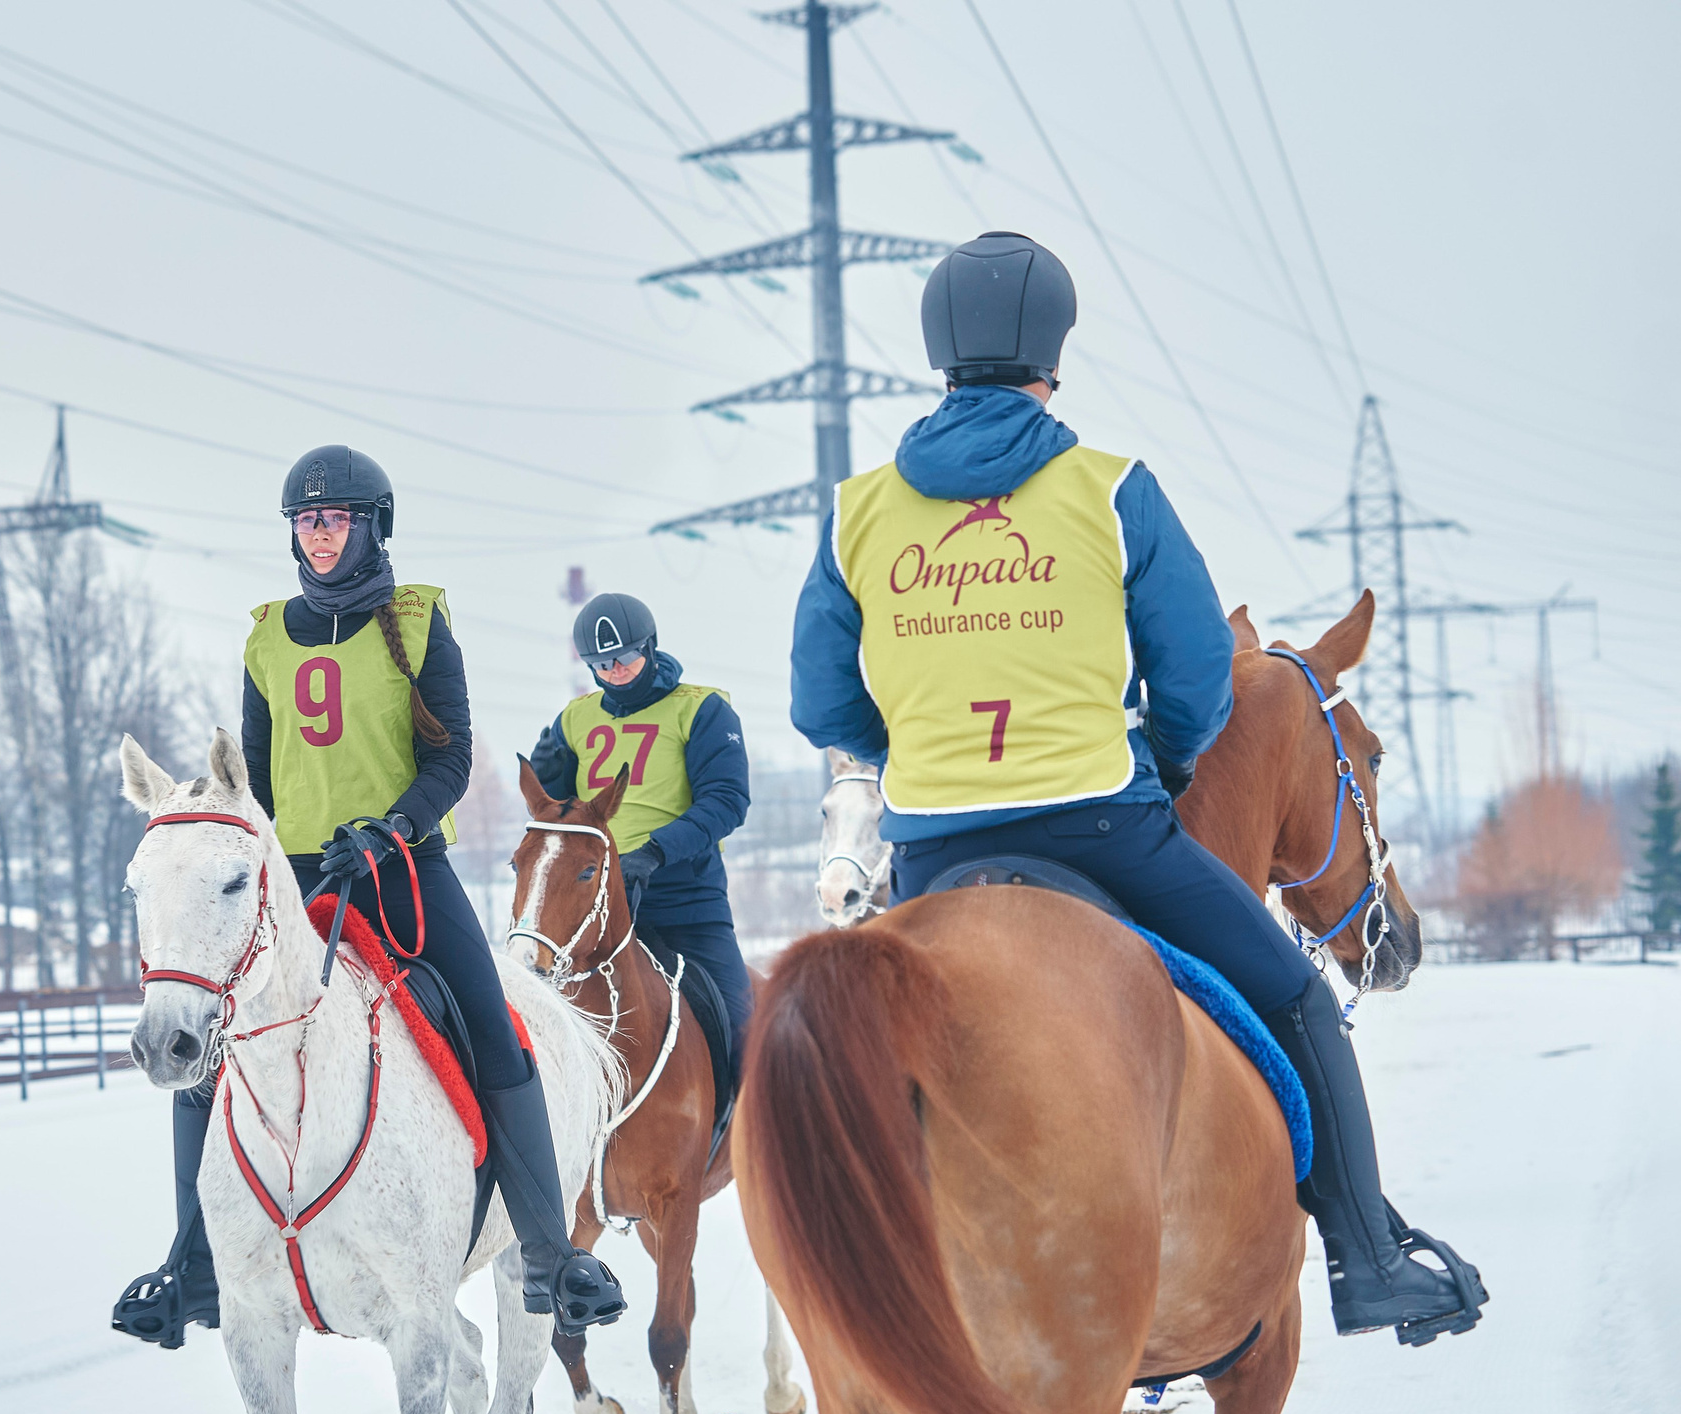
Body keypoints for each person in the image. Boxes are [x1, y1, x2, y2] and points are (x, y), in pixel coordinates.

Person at [786, 232, 1485, 1345]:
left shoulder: (858, 512)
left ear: (938, 353)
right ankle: (1368, 1258)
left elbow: (824, 704)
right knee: (1301, 1003)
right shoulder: (1111, 491)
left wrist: (917, 746)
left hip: (929, 854)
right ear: (1050, 356)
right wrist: (1158, 762)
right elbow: (1200, 674)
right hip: (1103, 830)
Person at [112, 444, 628, 1350]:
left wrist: (389, 828)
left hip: (403, 870)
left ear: (370, 526)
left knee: (495, 1028)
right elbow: (258, 782)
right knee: (214, 1030)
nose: (318, 535)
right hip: (294, 878)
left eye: (335, 519)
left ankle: (550, 1253)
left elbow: (453, 757)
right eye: (306, 521)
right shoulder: (267, 635)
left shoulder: (421, 624)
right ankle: (192, 1265)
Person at [527, 592, 753, 1039]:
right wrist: (545, 785)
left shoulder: (701, 709)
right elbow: (559, 817)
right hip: (597, 903)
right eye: (601, 663)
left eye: (626, 657)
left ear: (649, 646)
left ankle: (744, 1108)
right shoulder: (576, 718)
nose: (615, 670)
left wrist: (654, 852)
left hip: (686, 900)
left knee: (741, 1030)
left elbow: (727, 800)